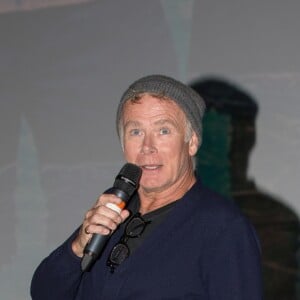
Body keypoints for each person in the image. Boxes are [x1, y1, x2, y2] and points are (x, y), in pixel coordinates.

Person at [30, 74, 263, 299]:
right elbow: (44, 292)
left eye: (163, 131)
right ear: (123, 145)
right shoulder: (115, 204)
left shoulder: (222, 227)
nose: (147, 147)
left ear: (192, 142)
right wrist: (78, 246)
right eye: (136, 132)